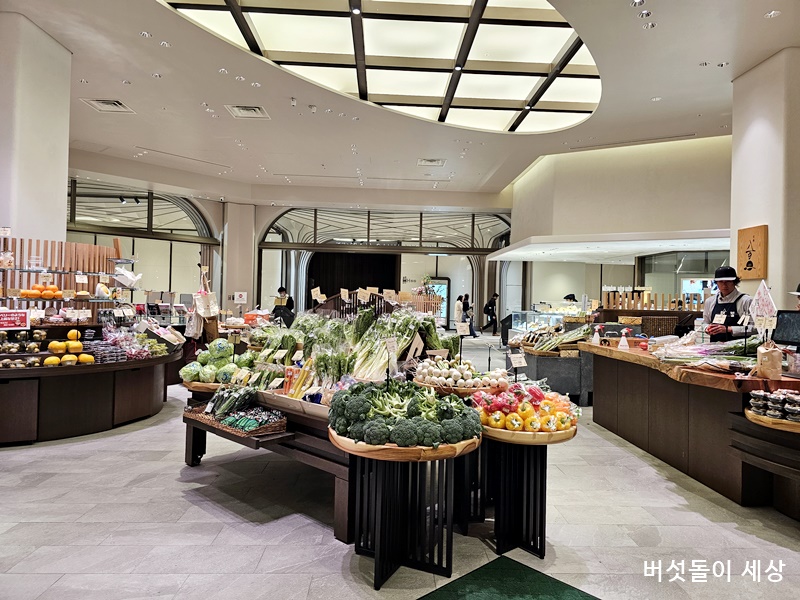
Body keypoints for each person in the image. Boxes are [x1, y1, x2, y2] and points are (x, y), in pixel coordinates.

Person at [703, 266, 752, 342]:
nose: (724, 285)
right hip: (715, 346)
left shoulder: (746, 301)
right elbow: (705, 322)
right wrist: (707, 328)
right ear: (716, 283)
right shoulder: (710, 301)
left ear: (734, 282)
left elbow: (755, 327)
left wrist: (729, 329)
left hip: (739, 347)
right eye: (721, 282)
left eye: (728, 281)